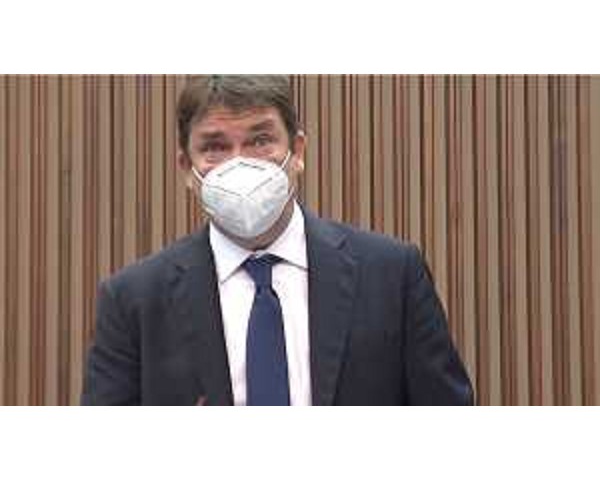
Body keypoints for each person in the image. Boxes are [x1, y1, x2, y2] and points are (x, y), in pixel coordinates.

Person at [82, 75, 474, 406]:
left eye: (260, 140)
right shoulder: (134, 300)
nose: (239, 163)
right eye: (215, 147)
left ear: (297, 151)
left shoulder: (391, 275)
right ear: (187, 167)